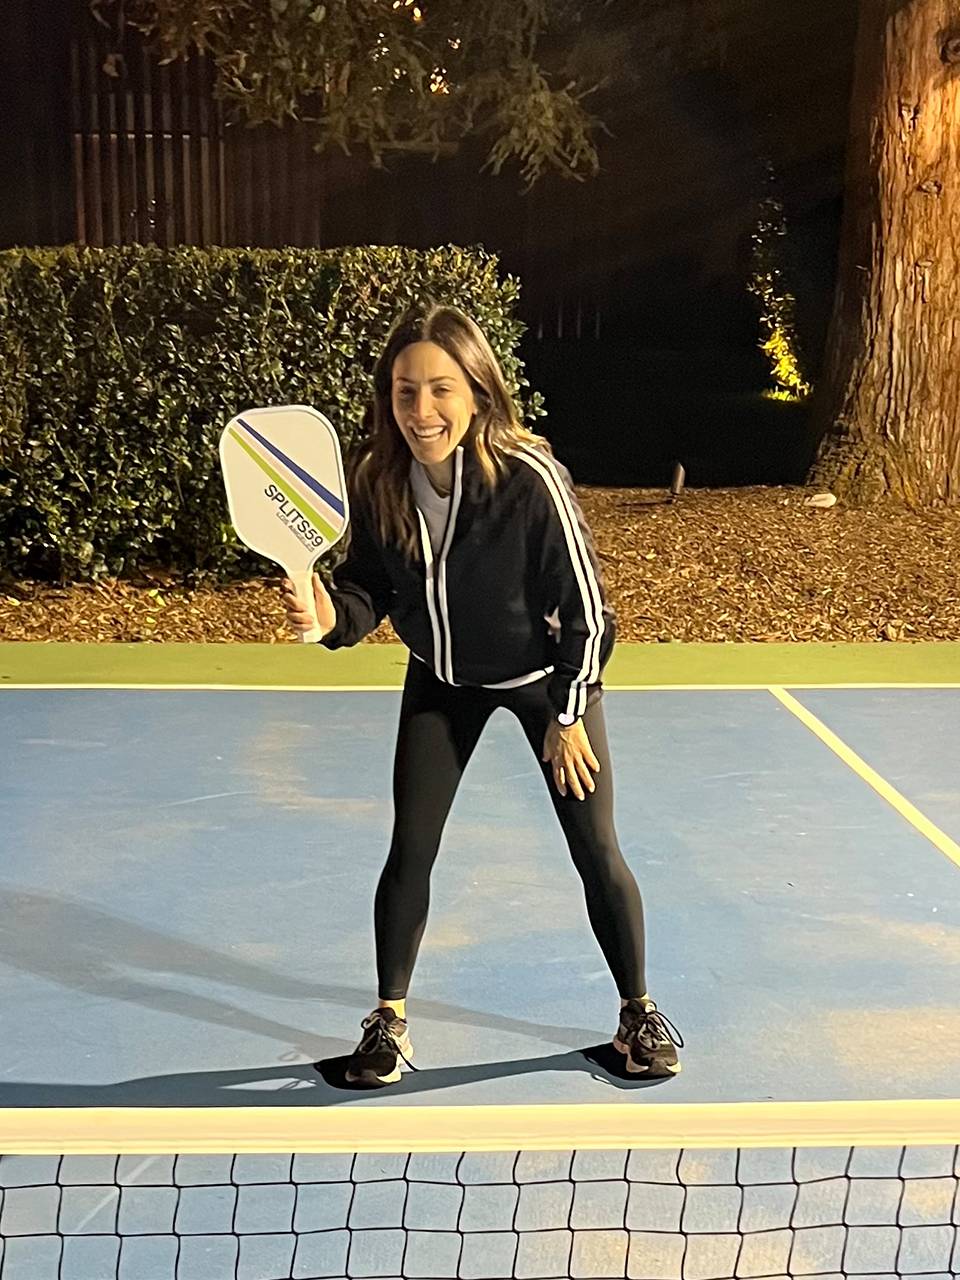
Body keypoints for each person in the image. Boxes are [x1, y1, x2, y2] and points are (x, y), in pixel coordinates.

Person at [281, 301, 682, 1087]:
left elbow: (592, 612)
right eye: (404, 392)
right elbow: (369, 586)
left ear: (477, 392)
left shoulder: (530, 480)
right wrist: (331, 613)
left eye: (440, 390)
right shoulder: (376, 479)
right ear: (387, 397)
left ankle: (638, 1014)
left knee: (594, 846)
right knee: (411, 849)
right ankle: (387, 1026)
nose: (421, 411)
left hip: (544, 684)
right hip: (441, 682)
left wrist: (568, 715)